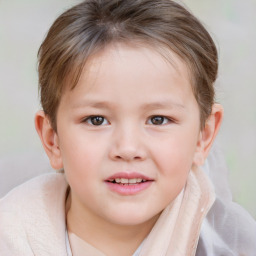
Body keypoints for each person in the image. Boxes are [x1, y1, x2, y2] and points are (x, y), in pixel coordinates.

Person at [0, 0, 255, 255]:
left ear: (204, 135)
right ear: (52, 139)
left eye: (158, 119)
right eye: (96, 120)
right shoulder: (11, 236)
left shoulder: (234, 246)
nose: (128, 148)